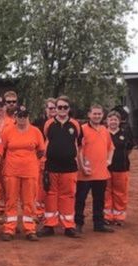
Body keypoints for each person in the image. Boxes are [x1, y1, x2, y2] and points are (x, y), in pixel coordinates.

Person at [0, 105, 45, 241]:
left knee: (29, 201)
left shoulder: (36, 131)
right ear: (15, 117)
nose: (22, 118)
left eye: (25, 116)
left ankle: (30, 229)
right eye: (19, 116)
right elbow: (1, 149)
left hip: (30, 172)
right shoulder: (7, 131)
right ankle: (9, 229)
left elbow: (41, 150)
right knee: (11, 200)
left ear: (27, 116)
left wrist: (29, 160)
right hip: (12, 171)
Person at [40, 95, 81, 238]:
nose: (62, 110)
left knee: (68, 196)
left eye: (65, 107)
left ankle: (69, 226)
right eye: (59, 107)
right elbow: (46, 142)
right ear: (55, 109)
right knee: (50, 195)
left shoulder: (75, 125)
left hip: (69, 166)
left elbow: (78, 145)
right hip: (52, 166)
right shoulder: (48, 124)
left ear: (69, 109)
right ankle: (49, 225)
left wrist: (80, 164)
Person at [74, 105, 115, 234]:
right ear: (89, 115)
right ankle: (78, 223)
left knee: (99, 200)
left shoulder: (105, 130)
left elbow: (111, 148)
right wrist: (82, 167)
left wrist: (109, 160)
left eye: (99, 114)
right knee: (80, 199)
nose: (97, 116)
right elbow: (78, 150)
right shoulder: (82, 130)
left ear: (102, 115)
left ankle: (99, 223)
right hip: (85, 173)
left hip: (101, 173)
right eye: (94, 114)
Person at [104, 111, 134, 226]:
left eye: (115, 120)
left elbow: (129, 149)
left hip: (122, 167)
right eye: (111, 119)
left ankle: (119, 216)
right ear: (107, 121)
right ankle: (107, 216)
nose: (113, 122)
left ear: (119, 121)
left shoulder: (124, 133)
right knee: (106, 192)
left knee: (120, 192)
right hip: (105, 168)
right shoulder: (103, 133)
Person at [33, 98, 57, 220]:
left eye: (54, 108)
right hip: (41, 158)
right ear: (46, 109)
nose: (53, 110)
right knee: (41, 186)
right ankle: (39, 212)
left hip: (56, 159)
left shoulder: (59, 123)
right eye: (50, 108)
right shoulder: (38, 123)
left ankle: (52, 211)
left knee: (53, 187)